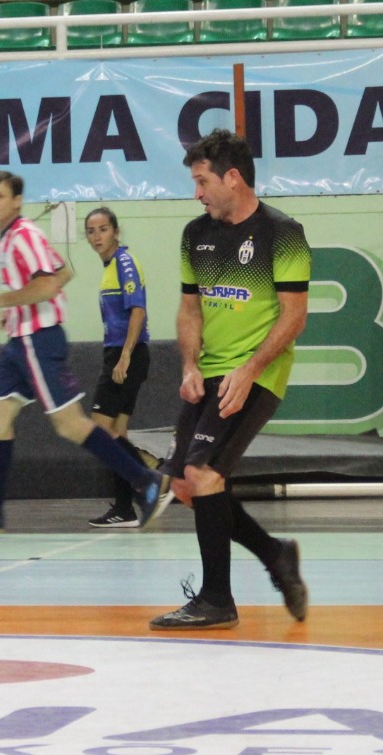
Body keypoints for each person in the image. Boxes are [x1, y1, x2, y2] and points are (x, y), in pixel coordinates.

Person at [0, 171, 168, 534]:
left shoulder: (24, 236)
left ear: (16, 200)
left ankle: (144, 481)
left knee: (72, 425)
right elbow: (62, 272)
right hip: (19, 341)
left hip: (38, 340)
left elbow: (50, 283)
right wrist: (12, 310)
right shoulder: (8, 240)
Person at [151, 129, 310, 630]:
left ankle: (216, 599)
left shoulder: (283, 233)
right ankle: (275, 553)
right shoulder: (195, 234)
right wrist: (190, 366)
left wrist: (250, 370)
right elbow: (189, 309)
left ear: (233, 178)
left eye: (202, 181)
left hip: (257, 372)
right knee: (186, 484)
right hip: (213, 370)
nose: (196, 193)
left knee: (203, 475)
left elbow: (294, 316)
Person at [83, 207, 172, 528]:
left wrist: (124, 357)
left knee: (99, 431)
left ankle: (150, 480)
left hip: (126, 355)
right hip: (121, 354)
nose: (97, 236)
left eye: (103, 229)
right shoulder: (110, 267)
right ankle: (125, 508)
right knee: (117, 433)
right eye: (91, 231)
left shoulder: (124, 262)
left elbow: (138, 311)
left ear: (116, 232)